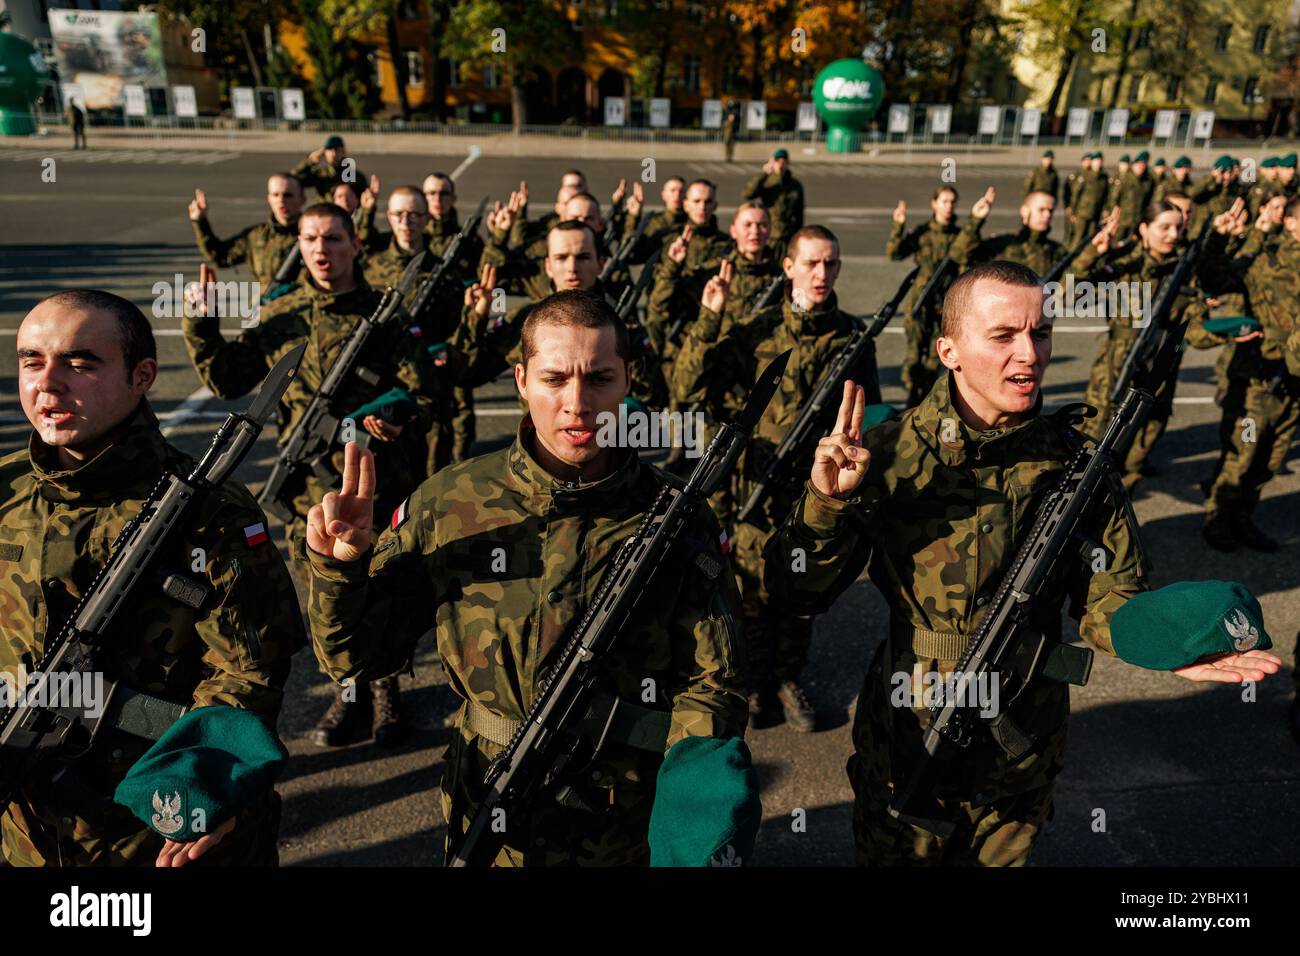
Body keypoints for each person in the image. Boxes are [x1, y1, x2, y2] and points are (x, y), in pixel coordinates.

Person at [762, 260, 1282, 865]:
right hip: (907, 738)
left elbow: (1108, 596)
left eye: (1040, 333)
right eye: (1003, 336)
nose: (1029, 355)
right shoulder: (887, 453)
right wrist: (827, 504)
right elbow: (795, 592)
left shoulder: (1077, 468)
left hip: (1020, 753)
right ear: (949, 350)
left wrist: (1169, 639)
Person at [303, 289, 747, 865]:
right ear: (521, 380)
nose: (578, 404)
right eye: (555, 379)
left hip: (624, 825)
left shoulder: (677, 517)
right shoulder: (450, 501)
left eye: (600, 380)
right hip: (486, 810)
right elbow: (357, 659)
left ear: (628, 380)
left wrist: (690, 826)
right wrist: (342, 571)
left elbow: (714, 683)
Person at [3, 289, 304, 865]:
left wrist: (206, 787)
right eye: (31, 361)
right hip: (20, 832)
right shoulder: (6, 489)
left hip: (153, 830)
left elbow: (249, 670)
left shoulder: (212, 511)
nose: (48, 383)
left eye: (81, 362)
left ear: (142, 375)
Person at [181, 202, 439, 749]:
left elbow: (424, 392)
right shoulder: (283, 312)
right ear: (298, 244)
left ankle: (387, 691)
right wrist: (202, 319)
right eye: (310, 238)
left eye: (332, 238)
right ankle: (348, 691)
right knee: (327, 594)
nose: (321, 249)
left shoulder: (384, 315)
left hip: (379, 483)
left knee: (382, 585)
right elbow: (228, 378)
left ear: (354, 245)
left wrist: (390, 414)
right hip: (308, 493)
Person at [673, 225, 875, 732]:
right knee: (751, 592)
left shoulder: (854, 337)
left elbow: (868, 412)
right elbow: (687, 384)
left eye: (830, 264)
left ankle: (787, 679)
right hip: (754, 486)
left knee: (801, 592)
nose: (821, 273)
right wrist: (709, 318)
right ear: (788, 267)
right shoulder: (757, 329)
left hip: (812, 489)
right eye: (811, 263)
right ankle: (754, 681)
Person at [1070, 199, 1207, 490]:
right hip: (1115, 371)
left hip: (1158, 374)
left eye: (1178, 228)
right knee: (1092, 448)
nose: (1172, 235)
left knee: (1137, 452)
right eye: (1164, 227)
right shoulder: (1124, 264)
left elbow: (1196, 327)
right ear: (1144, 228)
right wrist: (1094, 252)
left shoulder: (1183, 269)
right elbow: (1073, 296)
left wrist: (1228, 332)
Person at [1191, 195, 1300, 553]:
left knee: (1270, 459)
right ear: (1291, 223)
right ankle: (1217, 519)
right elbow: (1216, 277)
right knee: (1242, 454)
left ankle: (1243, 517)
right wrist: (1219, 238)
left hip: (1294, 384)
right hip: (1258, 378)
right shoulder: (1264, 259)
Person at [887, 186, 963, 406]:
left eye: (952, 202)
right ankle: (911, 399)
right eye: (944, 201)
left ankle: (924, 401)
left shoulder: (959, 237)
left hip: (944, 305)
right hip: (919, 303)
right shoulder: (923, 233)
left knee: (934, 356)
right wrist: (898, 225)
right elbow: (894, 252)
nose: (948, 206)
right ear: (934, 204)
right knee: (914, 353)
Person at [188, 174, 305, 290]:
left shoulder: (313, 235)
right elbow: (221, 256)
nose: (281, 200)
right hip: (267, 305)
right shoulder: (257, 236)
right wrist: (200, 222)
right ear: (269, 198)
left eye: (288, 195)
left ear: (302, 199)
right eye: (275, 195)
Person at [948, 187, 1065, 275]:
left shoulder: (1057, 252)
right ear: (1025, 211)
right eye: (1041, 209)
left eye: (1050, 211)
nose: (1047, 215)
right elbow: (959, 255)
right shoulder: (1004, 245)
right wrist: (975, 221)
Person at [741, 149, 805, 251]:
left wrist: (799, 234)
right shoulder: (767, 182)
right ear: (772, 163)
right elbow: (748, 194)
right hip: (769, 234)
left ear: (788, 163)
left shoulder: (795, 185)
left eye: (783, 162)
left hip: (788, 235)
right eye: (777, 162)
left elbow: (799, 212)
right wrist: (764, 174)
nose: (780, 165)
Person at [293, 135, 368, 201]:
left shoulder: (356, 176)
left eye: (337, 150)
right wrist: (309, 162)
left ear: (343, 152)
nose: (333, 153)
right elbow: (294, 179)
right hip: (325, 214)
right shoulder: (320, 174)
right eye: (329, 150)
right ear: (324, 153)